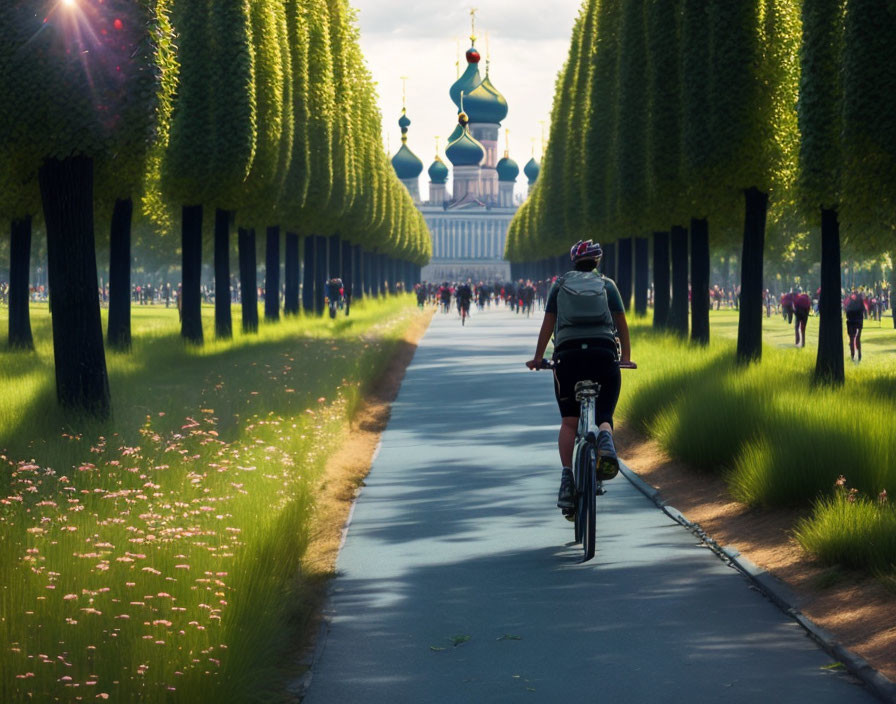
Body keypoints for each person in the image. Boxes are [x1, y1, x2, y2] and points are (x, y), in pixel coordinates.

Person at [526, 240, 633, 519]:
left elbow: (548, 323)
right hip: (603, 353)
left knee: (569, 422)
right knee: (605, 413)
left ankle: (566, 479)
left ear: (574, 262)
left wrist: (538, 358)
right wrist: (625, 357)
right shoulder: (607, 285)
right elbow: (621, 323)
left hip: (568, 357)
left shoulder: (559, 285)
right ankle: (606, 439)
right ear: (597, 263)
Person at [844, 289, 866, 362]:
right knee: (858, 339)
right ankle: (859, 355)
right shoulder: (860, 301)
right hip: (859, 321)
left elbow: (846, 309)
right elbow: (863, 310)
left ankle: (852, 355)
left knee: (851, 338)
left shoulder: (850, 300)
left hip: (850, 321)